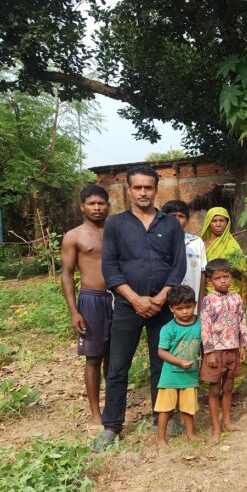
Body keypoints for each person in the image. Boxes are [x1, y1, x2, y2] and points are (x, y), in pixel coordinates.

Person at [92, 166, 187, 451]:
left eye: (148, 187)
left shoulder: (169, 224)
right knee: (118, 367)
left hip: (162, 307)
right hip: (126, 307)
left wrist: (161, 297)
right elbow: (109, 267)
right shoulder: (116, 225)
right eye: (138, 188)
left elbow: (178, 264)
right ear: (129, 190)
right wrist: (134, 298)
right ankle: (112, 426)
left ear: (156, 190)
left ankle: (163, 416)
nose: (143, 192)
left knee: (162, 365)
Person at [61, 183, 111, 427]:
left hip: (118, 297)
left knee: (115, 357)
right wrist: (74, 311)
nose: (97, 208)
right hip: (91, 300)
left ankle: (113, 408)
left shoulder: (116, 231)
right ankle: (95, 414)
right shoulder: (74, 236)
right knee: (93, 358)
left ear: (108, 206)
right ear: (82, 207)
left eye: (101, 203)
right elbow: (67, 274)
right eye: (92, 203)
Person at [199, 258, 247, 444]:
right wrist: (209, 352)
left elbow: (242, 322)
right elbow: (205, 327)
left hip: (233, 349)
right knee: (214, 390)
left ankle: (227, 421)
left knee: (228, 387)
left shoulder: (236, 298)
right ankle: (215, 428)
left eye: (226, 277)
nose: (223, 281)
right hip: (216, 352)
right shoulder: (207, 301)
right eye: (218, 278)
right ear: (210, 281)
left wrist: (243, 345)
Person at [155, 285, 201, 450]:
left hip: (190, 374)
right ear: (171, 308)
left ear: (194, 304)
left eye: (188, 307)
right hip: (170, 375)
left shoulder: (200, 324)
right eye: (179, 309)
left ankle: (190, 434)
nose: (184, 312)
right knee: (165, 409)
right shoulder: (168, 328)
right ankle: (161, 439)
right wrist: (179, 362)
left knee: (188, 408)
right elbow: (161, 352)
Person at [162, 200, 207, 308]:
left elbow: (202, 273)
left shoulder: (196, 242)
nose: (177, 220)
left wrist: (200, 303)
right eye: (173, 215)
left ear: (186, 220)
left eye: (181, 216)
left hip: (191, 304)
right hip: (165, 303)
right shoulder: (158, 241)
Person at [201, 207, 247, 304]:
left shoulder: (233, 245)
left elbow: (243, 273)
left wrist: (235, 269)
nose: (218, 224)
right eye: (214, 221)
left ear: (227, 223)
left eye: (221, 221)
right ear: (208, 223)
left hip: (232, 291)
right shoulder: (202, 245)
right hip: (209, 291)